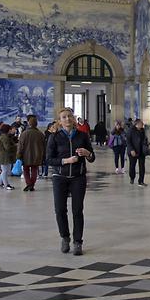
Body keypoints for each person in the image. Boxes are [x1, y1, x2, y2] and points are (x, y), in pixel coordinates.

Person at [46, 107, 95, 255]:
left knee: (77, 210)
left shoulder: (82, 135)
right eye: (64, 117)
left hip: (78, 177)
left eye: (69, 116)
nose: (67, 119)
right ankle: (65, 238)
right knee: (60, 210)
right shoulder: (54, 137)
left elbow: (92, 158)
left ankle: (78, 242)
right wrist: (65, 161)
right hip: (59, 177)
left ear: (73, 119)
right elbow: (48, 160)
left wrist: (87, 153)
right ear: (60, 121)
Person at [17, 115, 46, 192]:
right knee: (34, 170)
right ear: (36, 124)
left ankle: (29, 184)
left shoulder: (24, 134)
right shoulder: (40, 134)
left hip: (25, 156)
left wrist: (18, 155)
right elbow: (44, 146)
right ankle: (31, 185)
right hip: (37, 155)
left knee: (26, 170)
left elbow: (20, 146)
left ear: (29, 124)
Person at [127, 119, 149, 186]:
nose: (142, 125)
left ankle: (141, 181)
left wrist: (146, 145)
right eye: (141, 124)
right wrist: (131, 149)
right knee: (132, 166)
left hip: (141, 151)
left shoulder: (142, 131)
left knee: (142, 166)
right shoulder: (131, 130)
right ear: (137, 124)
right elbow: (128, 141)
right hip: (133, 151)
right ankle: (132, 177)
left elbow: (145, 139)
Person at [0, 124, 16, 190]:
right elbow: (7, 147)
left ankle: (0, 183)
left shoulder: (5, 136)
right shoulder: (5, 137)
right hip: (4, 157)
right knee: (5, 171)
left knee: (4, 170)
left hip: (4, 156)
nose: (11, 130)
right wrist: (16, 146)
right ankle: (6, 185)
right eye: (10, 129)